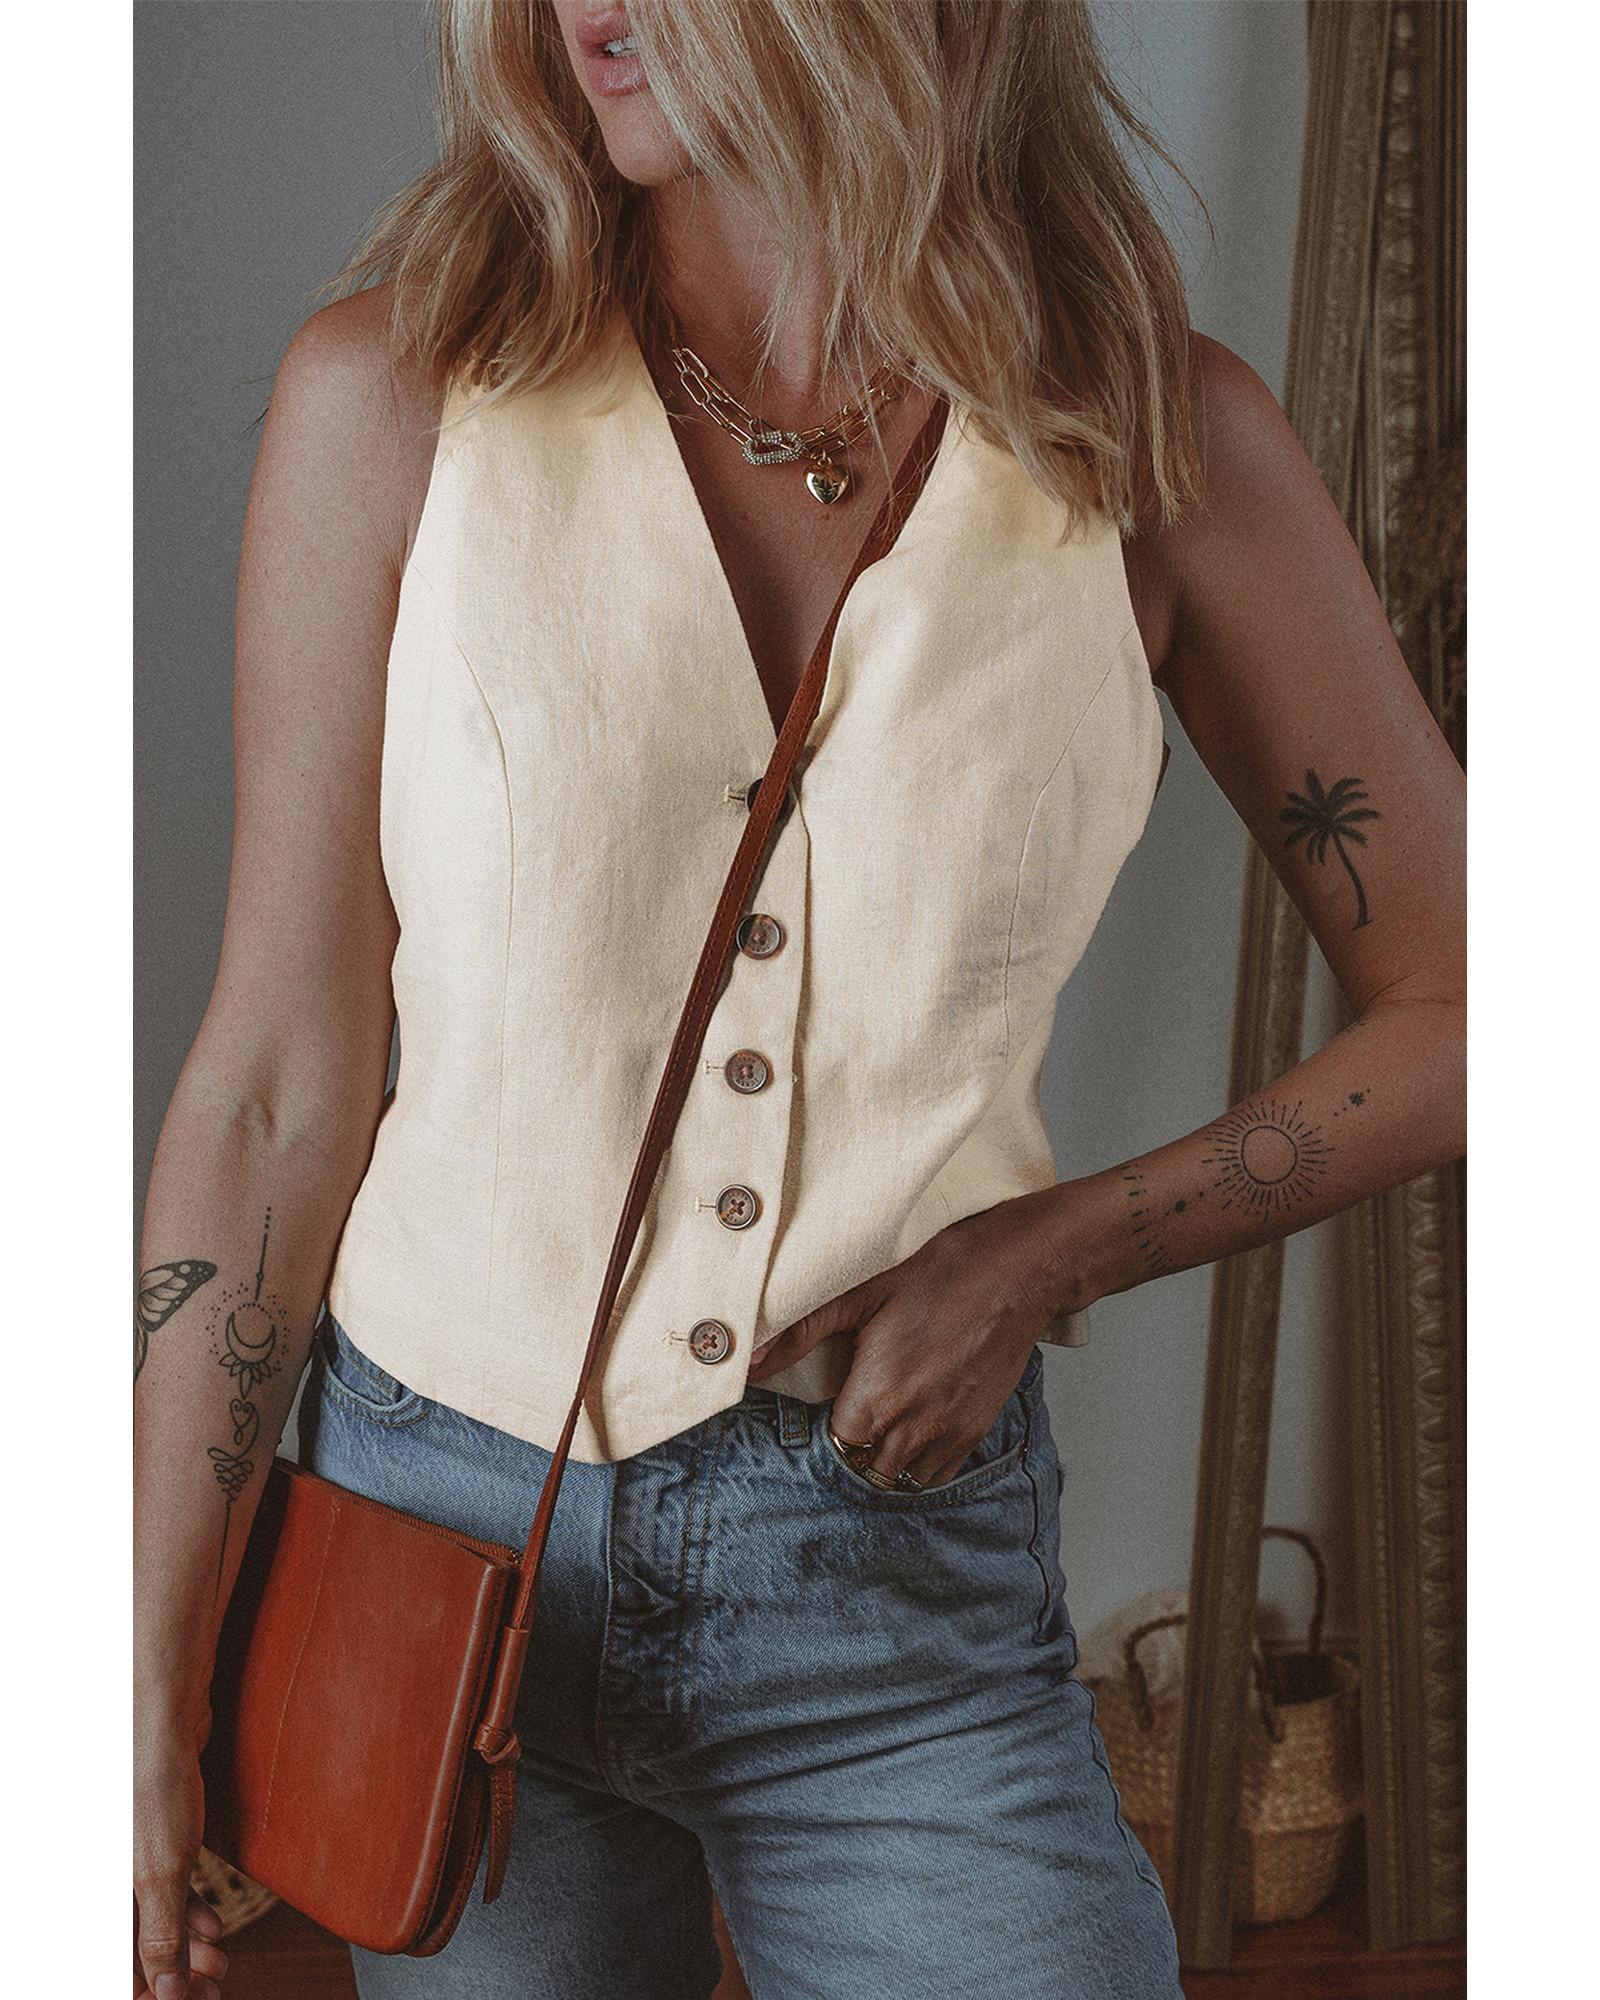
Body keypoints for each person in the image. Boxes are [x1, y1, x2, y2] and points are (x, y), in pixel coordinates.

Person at [132, 2, 1467, 1996]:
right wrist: (138, 1659)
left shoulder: (1152, 443)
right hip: (432, 1542)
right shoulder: (395, 398)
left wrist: (1051, 1247)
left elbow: (1477, 1001)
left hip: (892, 1574)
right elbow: (272, 1085)